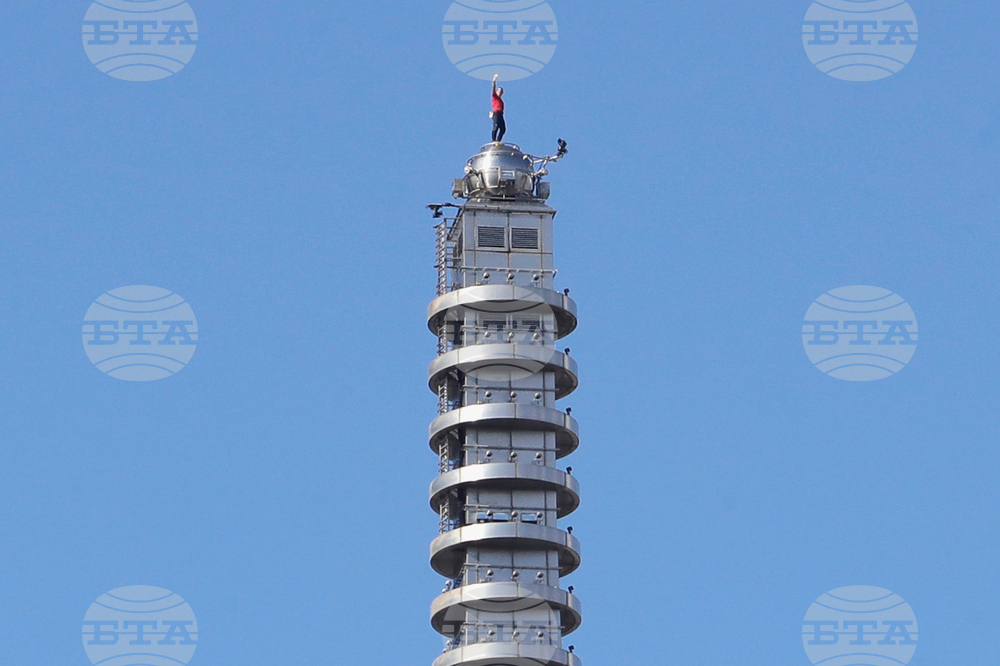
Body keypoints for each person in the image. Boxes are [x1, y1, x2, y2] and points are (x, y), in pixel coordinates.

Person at [490, 74, 506, 143]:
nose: (500, 92)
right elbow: (493, 88)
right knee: (496, 127)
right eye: (499, 91)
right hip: (496, 113)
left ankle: (498, 141)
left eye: (501, 91)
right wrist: (494, 80)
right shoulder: (494, 97)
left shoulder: (501, 101)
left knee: (503, 129)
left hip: (500, 114)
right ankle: (494, 141)